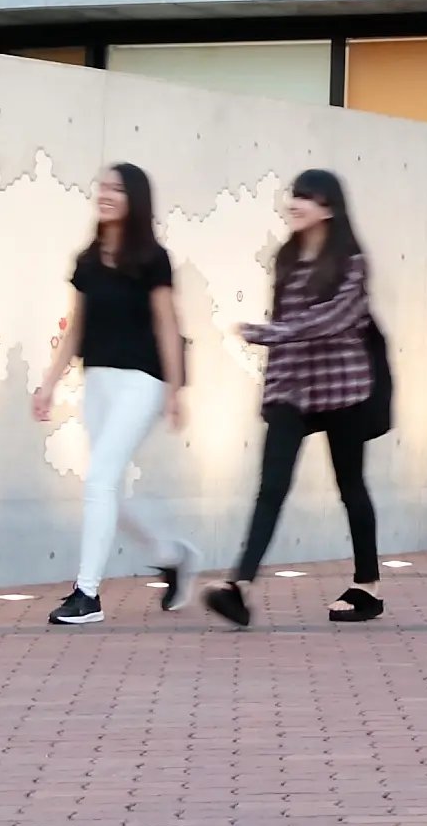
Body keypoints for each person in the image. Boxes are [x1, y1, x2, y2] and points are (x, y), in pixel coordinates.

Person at [208, 170, 386, 626]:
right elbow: (286, 324)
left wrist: (269, 334)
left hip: (343, 390)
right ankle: (240, 587)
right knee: (271, 488)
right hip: (293, 391)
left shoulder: (351, 262)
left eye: (306, 198)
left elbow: (332, 320)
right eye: (294, 195)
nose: (295, 203)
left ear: (328, 208)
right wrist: (272, 392)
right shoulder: (286, 258)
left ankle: (368, 587)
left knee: (351, 487)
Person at [26, 163, 195, 628]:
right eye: (102, 186)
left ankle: (87, 594)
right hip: (99, 379)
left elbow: (167, 324)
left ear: (134, 199)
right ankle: (171, 556)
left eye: (116, 189)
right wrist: (49, 383)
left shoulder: (152, 259)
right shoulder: (87, 260)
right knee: (107, 489)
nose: (105, 194)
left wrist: (175, 389)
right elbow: (75, 328)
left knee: (99, 479)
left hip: (144, 379)